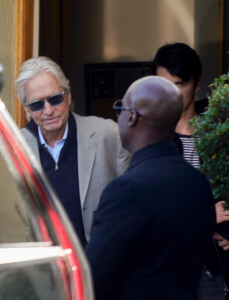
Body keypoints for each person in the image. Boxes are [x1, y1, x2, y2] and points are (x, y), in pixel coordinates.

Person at [85, 76, 216, 300]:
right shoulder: (199, 183)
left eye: (120, 108)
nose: (118, 117)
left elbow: (91, 280)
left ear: (132, 117)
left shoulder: (126, 190)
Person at [15, 56, 130, 247]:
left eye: (55, 99)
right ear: (26, 109)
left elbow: (132, 206)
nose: (48, 110)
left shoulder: (109, 135)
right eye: (37, 104)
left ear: (68, 96)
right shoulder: (13, 148)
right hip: (46, 271)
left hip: (101, 266)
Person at [152, 42, 229, 299]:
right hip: (169, 265)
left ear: (196, 84)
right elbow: (151, 210)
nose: (172, 94)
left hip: (216, 265)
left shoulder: (220, 129)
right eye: (164, 85)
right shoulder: (150, 136)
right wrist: (207, 217)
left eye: (180, 84)